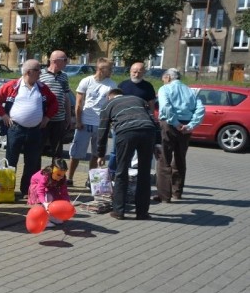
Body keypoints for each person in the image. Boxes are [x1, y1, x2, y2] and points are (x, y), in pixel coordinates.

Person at [0, 60, 58, 198]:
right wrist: (3, 115)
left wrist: (47, 117)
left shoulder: (42, 88)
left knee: (32, 162)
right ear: (29, 72)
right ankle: (8, 191)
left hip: (35, 130)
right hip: (15, 129)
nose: (40, 73)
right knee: (11, 161)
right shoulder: (12, 86)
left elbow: (54, 102)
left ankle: (27, 190)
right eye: (38, 70)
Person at [97, 89, 162, 220]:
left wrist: (100, 154)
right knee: (144, 173)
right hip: (148, 132)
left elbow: (102, 130)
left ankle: (119, 211)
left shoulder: (108, 105)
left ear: (109, 97)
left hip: (126, 133)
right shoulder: (139, 100)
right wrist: (157, 144)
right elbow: (154, 120)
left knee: (121, 171)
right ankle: (142, 212)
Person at [153, 68, 205, 204]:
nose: (163, 81)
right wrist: (191, 125)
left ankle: (164, 195)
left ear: (168, 77)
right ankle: (177, 192)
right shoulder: (190, 91)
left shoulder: (165, 89)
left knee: (164, 159)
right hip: (186, 126)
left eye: (163, 78)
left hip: (169, 125)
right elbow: (200, 109)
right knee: (180, 158)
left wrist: (175, 123)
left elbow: (165, 107)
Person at [67, 58, 116, 184]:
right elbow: (78, 103)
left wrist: (110, 122)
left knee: (96, 154)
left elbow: (113, 104)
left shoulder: (112, 85)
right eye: (109, 69)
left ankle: (91, 180)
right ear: (100, 69)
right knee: (76, 152)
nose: (112, 71)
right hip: (85, 122)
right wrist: (78, 121)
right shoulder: (86, 81)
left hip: (101, 124)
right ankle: (69, 178)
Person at [39, 51, 73, 160]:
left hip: (59, 119)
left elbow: (66, 97)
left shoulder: (64, 76)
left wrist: (68, 116)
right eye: (64, 60)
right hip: (43, 119)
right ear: (54, 61)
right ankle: (37, 176)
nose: (66, 63)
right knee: (38, 149)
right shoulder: (40, 74)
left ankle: (56, 176)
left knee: (57, 151)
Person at [27, 159, 71, 227]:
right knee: (48, 198)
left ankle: (52, 216)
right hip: (36, 187)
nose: (60, 177)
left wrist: (68, 204)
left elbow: (64, 192)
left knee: (57, 198)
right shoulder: (45, 176)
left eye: (62, 175)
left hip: (50, 187)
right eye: (58, 175)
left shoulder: (62, 179)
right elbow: (40, 191)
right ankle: (44, 219)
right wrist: (44, 203)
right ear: (52, 170)